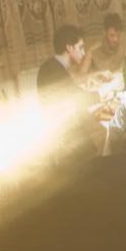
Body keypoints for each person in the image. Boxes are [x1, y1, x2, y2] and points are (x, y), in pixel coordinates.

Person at [36, 25, 98, 163]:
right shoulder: (56, 71)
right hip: (63, 137)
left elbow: (72, 90)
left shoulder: (51, 65)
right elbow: (80, 98)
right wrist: (100, 94)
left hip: (58, 128)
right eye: (80, 47)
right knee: (99, 140)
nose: (83, 53)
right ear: (69, 48)